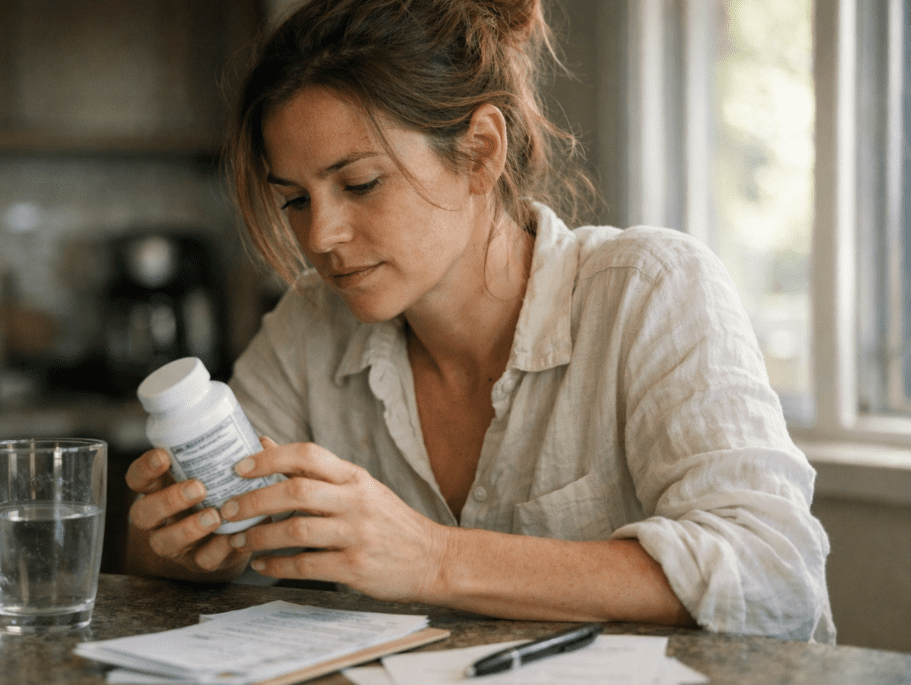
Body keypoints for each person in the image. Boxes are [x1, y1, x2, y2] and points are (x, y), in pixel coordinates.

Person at [125, 0, 835, 643]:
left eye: (360, 183)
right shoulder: (308, 328)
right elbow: (216, 551)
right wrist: (174, 548)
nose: (322, 237)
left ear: (481, 152)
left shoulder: (650, 291)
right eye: (295, 200)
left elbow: (774, 576)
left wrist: (432, 557)